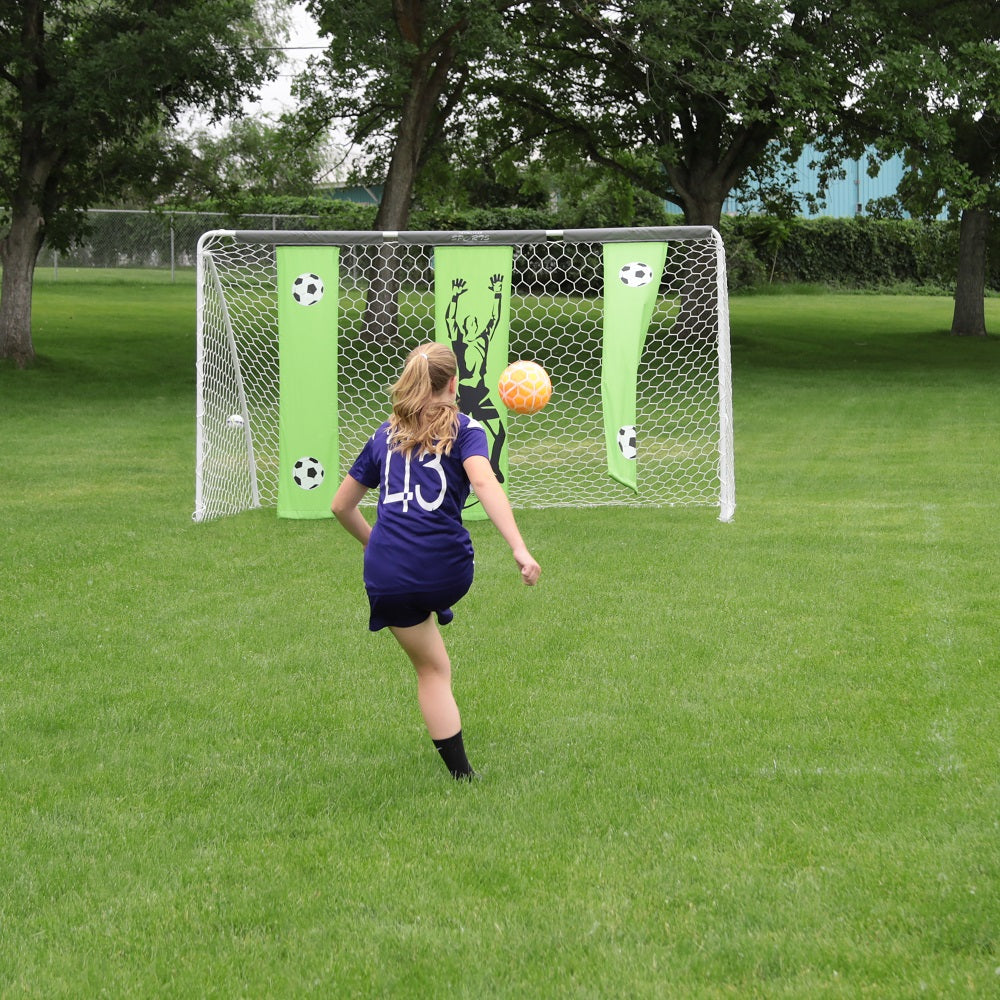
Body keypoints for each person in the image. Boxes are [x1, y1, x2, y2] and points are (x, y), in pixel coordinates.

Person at [331, 342, 541, 780]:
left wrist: (374, 545)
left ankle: (462, 775)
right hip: (448, 572)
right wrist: (519, 548)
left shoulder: (382, 435)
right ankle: (435, 601)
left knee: (431, 670)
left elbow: (340, 507)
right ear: (453, 383)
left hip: (386, 575)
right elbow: (483, 482)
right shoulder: (467, 429)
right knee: (433, 636)